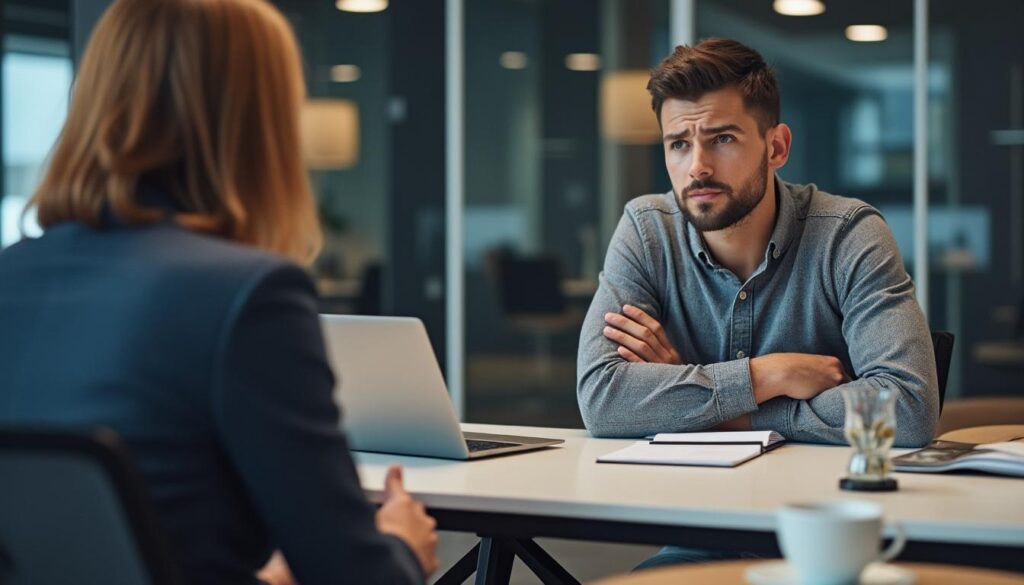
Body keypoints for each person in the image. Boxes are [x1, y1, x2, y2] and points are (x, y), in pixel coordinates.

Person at [0, 1, 436, 583]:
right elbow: (356, 575)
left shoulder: (10, 275)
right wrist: (403, 546)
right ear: (260, 123)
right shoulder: (248, 294)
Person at [578, 38, 939, 448]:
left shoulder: (848, 234)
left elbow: (909, 410)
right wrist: (768, 376)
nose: (697, 166)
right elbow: (602, 400)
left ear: (777, 147)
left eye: (722, 139)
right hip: (679, 495)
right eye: (679, 143)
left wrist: (706, 404)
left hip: (817, 499)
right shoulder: (647, 231)